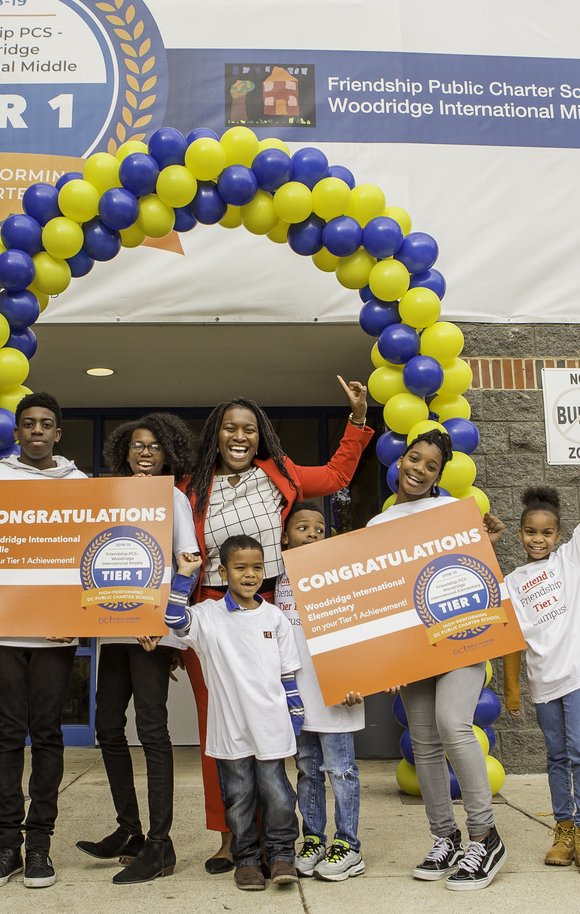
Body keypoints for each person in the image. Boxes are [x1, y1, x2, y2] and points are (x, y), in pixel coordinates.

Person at [181, 377, 373, 872]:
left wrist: (356, 419)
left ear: (260, 435)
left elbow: (335, 476)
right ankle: (229, 834)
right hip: (216, 616)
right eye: (229, 428)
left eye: (248, 428)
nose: (239, 436)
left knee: (278, 726)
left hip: (277, 612)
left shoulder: (280, 474)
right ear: (216, 434)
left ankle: (277, 837)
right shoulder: (190, 487)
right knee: (220, 728)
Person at [369, 429, 509, 891]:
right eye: (414, 458)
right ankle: (444, 836)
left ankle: (485, 836)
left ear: (439, 475)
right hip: (411, 647)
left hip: (459, 635)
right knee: (425, 741)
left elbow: (476, 573)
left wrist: (485, 541)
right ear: (400, 460)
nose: (418, 469)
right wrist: (384, 658)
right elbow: (379, 599)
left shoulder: (455, 512)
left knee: (453, 723)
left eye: (430, 465)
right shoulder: (376, 526)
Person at [0, 391, 85, 890]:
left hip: (56, 635)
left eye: (46, 424)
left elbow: (85, 553)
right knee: (10, 737)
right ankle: (6, 847)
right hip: (4, 631)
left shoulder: (78, 484)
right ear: (16, 433)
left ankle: (40, 847)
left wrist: (78, 618)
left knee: (48, 736)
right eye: (28, 424)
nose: (37, 431)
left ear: (58, 433)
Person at [76, 412, 200, 883]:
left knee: (152, 732)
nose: (145, 453)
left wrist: (161, 619)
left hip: (151, 633)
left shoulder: (172, 499)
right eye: (137, 446)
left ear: (168, 453)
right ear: (124, 453)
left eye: (154, 446)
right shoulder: (107, 496)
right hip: (113, 631)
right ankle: (129, 828)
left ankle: (160, 845)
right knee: (107, 727)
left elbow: (187, 563)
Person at [500, 450, 580, 876]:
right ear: (520, 534)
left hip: (577, 675)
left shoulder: (571, 561)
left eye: (547, 532)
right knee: (555, 756)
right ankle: (564, 830)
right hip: (543, 682)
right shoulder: (511, 582)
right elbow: (512, 641)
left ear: (557, 536)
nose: (539, 539)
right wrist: (512, 690)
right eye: (531, 532)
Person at [166, 535, 304, 891]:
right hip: (229, 730)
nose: (250, 574)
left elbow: (288, 672)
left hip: (271, 726)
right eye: (240, 567)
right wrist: (184, 576)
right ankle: (246, 860)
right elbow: (174, 619)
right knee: (239, 798)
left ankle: (281, 855)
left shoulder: (275, 616)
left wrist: (296, 713)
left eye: (257, 567)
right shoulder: (209, 615)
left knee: (278, 795)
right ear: (223, 571)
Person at [275, 503, 367, 881]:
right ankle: (313, 838)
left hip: (335, 692)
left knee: (341, 771)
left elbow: (359, 625)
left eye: (320, 528)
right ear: (284, 536)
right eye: (303, 527)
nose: (313, 533)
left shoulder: (338, 575)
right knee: (307, 770)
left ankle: (349, 845)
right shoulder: (278, 581)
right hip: (297, 695)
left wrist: (358, 676)